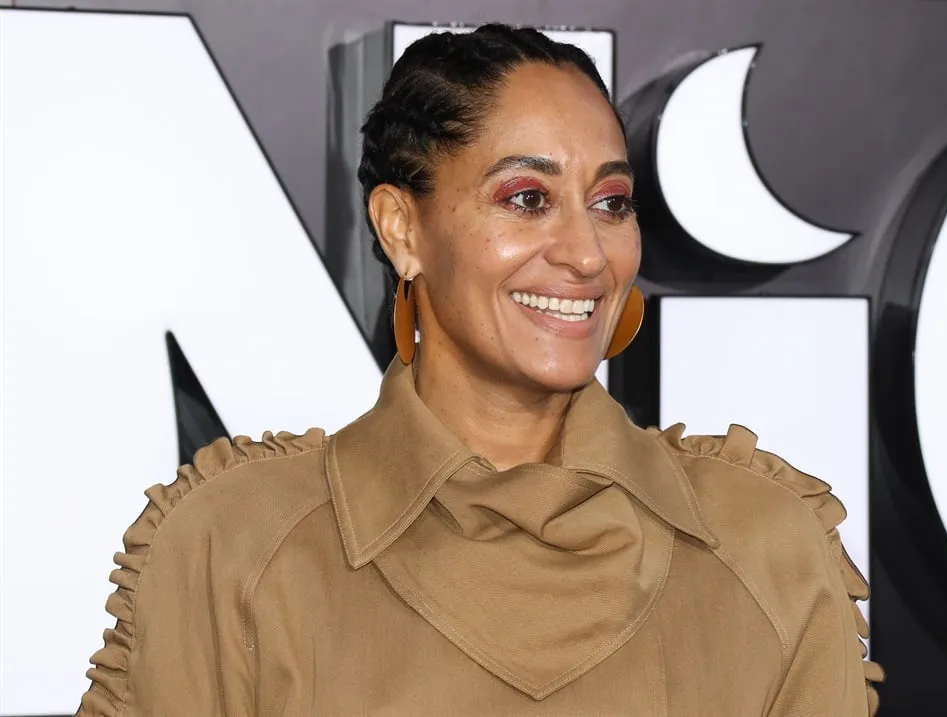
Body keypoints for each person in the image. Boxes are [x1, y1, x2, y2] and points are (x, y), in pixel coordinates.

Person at [76, 24, 883, 716]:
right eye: (528, 198)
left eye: (611, 203)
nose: (586, 254)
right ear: (402, 229)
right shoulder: (230, 549)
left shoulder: (765, 546)